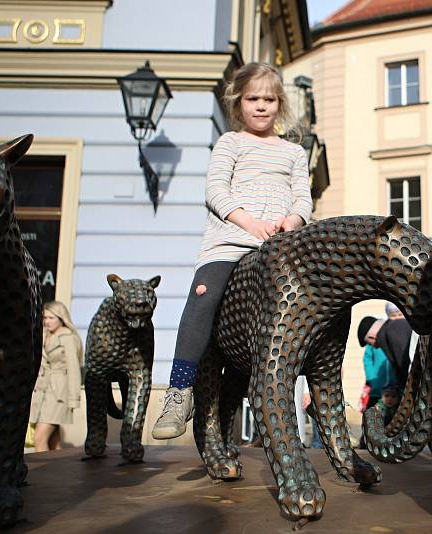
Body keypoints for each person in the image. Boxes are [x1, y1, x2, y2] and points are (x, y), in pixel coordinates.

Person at [152, 62, 313, 439]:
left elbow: (302, 198)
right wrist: (249, 223)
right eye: (252, 98)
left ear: (280, 103)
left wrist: (291, 221)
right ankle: (179, 391)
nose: (261, 106)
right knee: (203, 296)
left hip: (278, 244)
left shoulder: (293, 152)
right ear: (238, 102)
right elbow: (215, 192)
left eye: (269, 99)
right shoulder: (231, 142)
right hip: (229, 240)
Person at [29, 301, 83, 452]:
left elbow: (73, 369)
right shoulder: (45, 335)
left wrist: (74, 398)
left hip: (59, 394)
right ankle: (58, 473)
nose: (47, 321)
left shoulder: (67, 337)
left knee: (39, 438)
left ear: (61, 318)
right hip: (43, 391)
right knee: (53, 442)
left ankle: (42, 473)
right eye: (45, 318)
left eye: (51, 318)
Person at [357, 314, 413, 388]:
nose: (375, 347)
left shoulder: (392, 331)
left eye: (370, 344)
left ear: (371, 337)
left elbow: (405, 363)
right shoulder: (395, 327)